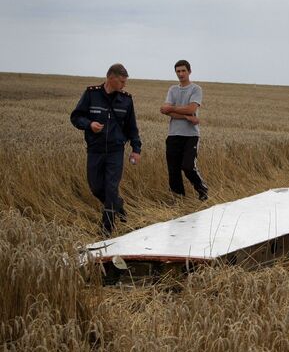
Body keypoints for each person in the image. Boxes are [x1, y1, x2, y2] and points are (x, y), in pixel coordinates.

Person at [70, 63, 142, 236]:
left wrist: (136, 149)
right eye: (122, 82)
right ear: (111, 78)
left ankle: (107, 229)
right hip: (95, 150)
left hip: (116, 151)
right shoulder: (91, 94)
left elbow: (132, 127)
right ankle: (118, 207)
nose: (124, 85)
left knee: (110, 188)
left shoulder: (126, 99)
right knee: (95, 187)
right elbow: (76, 117)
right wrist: (89, 124)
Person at [159, 60, 208, 201]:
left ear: (189, 71)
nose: (180, 74)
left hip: (191, 135)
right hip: (174, 134)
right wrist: (187, 117)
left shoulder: (196, 89)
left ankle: (202, 189)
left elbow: (192, 109)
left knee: (188, 166)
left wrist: (172, 108)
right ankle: (179, 199)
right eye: (178, 71)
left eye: (183, 71)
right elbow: (165, 111)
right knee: (173, 170)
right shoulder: (172, 89)